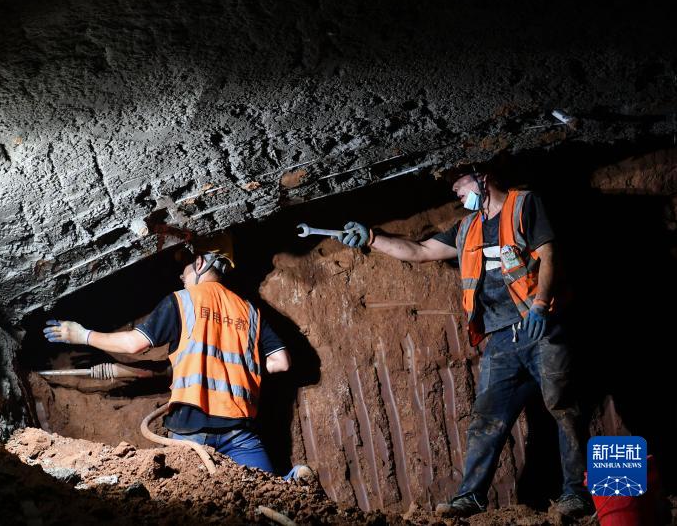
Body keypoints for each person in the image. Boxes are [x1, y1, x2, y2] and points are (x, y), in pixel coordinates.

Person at [334, 166, 594, 518]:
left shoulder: (524, 204)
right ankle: (470, 497)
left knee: (563, 407)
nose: (455, 190)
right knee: (487, 417)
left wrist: (540, 305)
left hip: (540, 328)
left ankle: (577, 494)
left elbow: (548, 254)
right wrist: (371, 238)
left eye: (460, 182)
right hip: (501, 338)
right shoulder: (467, 228)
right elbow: (421, 250)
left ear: (484, 177)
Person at [43, 235, 312, 481]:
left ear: (199, 263)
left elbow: (134, 344)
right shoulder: (250, 311)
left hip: (190, 431)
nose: (182, 275)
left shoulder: (182, 301)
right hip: (239, 431)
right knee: (268, 490)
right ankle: (293, 479)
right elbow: (281, 363)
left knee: (190, 499)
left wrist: (82, 335)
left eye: (185, 267)